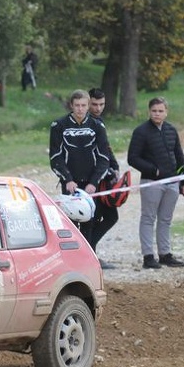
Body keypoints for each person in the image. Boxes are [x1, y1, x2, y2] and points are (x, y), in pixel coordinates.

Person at [127, 97, 184, 269]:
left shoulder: (171, 130)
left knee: (165, 219)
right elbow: (132, 158)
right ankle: (148, 257)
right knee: (148, 218)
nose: (157, 114)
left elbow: (180, 157)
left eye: (160, 111)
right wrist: (153, 170)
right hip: (151, 183)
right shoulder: (140, 132)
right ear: (149, 112)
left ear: (166, 112)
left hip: (172, 183)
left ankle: (165, 254)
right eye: (154, 111)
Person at [49, 89, 112, 250]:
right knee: (69, 223)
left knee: (90, 222)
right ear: (71, 105)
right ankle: (70, 258)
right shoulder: (59, 125)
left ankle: (88, 257)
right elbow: (56, 157)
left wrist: (94, 182)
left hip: (90, 184)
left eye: (83, 105)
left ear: (88, 105)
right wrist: (67, 179)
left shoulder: (97, 126)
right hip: (70, 184)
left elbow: (104, 157)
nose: (80, 109)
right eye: (77, 105)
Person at [87, 88, 120, 269]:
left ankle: (90, 251)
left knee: (110, 216)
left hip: (103, 176)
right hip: (91, 179)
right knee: (94, 218)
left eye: (102, 104)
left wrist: (114, 166)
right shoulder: (86, 123)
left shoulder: (99, 121)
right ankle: (90, 255)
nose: (98, 108)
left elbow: (105, 148)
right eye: (95, 104)